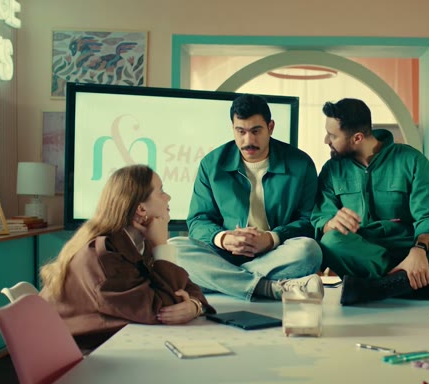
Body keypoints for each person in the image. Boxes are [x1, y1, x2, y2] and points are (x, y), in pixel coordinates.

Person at [312, 98, 429, 305]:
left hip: (409, 248)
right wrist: (330, 223)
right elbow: (320, 217)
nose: (326, 140)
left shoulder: (412, 160)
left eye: (333, 135)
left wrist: (419, 250)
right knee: (331, 241)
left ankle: (379, 287)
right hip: (364, 254)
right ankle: (404, 283)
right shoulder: (331, 170)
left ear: (357, 138)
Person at [39, 165, 215, 349]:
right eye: (161, 191)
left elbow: (187, 288)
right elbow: (162, 310)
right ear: (141, 208)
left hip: (104, 346)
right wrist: (162, 246)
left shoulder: (139, 243)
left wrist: (194, 305)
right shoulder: (103, 255)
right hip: (72, 354)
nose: (168, 197)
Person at [169, 94, 323, 301]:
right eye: (240, 131)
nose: (248, 140)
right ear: (233, 128)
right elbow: (198, 220)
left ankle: (221, 281)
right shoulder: (211, 164)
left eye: (256, 131)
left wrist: (271, 238)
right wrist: (224, 239)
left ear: (270, 127)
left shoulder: (301, 164)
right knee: (173, 249)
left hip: (275, 254)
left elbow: (309, 221)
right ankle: (267, 287)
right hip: (223, 255)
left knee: (309, 251)